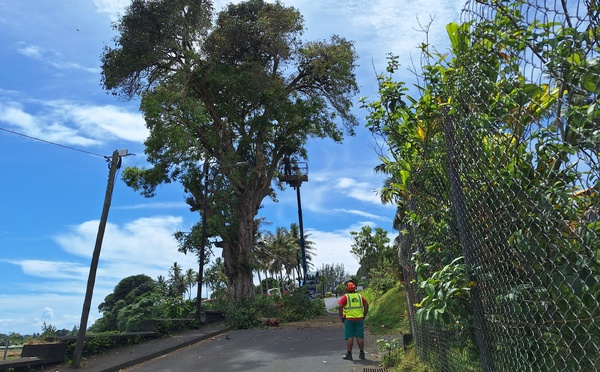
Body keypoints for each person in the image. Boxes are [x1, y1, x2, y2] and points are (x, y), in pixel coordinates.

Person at [338, 280, 369, 360]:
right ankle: (362, 354)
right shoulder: (359, 296)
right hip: (359, 318)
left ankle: (349, 354)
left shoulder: (346, 297)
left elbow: (340, 306)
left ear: (347, 289)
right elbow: (366, 304)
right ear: (355, 288)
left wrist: (341, 316)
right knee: (359, 337)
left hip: (349, 319)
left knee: (350, 336)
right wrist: (364, 314)